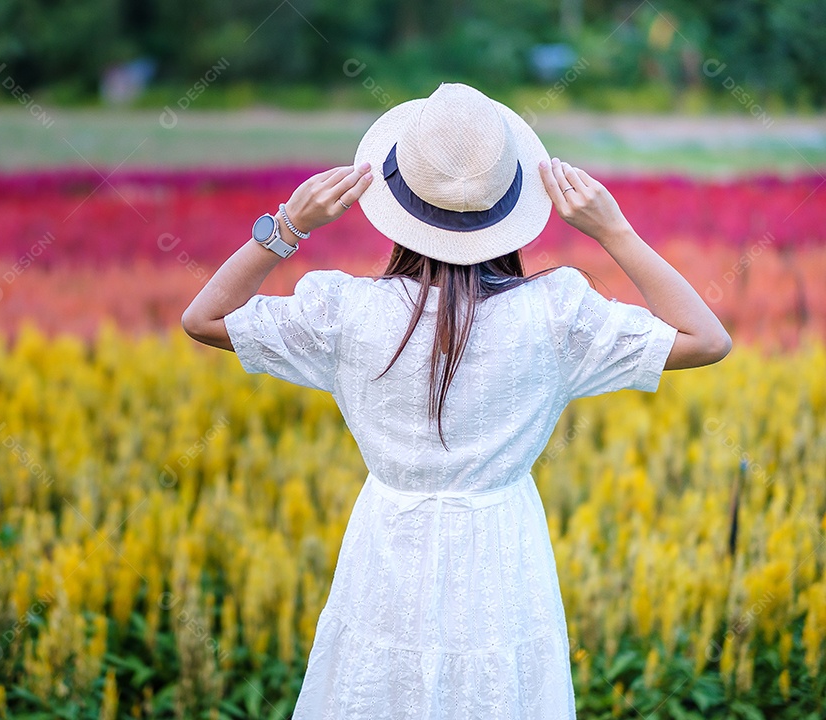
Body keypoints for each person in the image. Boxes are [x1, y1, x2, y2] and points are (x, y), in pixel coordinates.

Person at [181, 82, 730, 719]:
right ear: (511, 202)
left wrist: (286, 228)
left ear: (396, 201)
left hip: (387, 546)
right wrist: (616, 232)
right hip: (504, 550)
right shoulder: (555, 315)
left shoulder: (346, 313)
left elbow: (204, 319)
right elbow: (706, 339)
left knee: (378, 688)